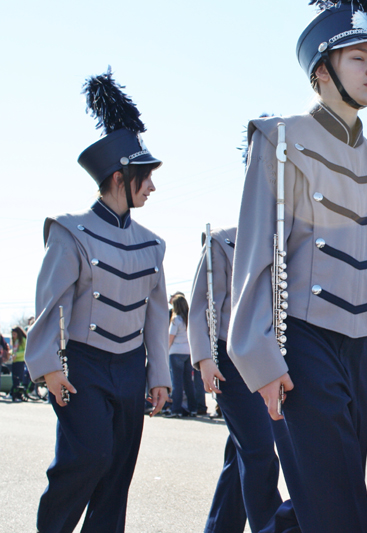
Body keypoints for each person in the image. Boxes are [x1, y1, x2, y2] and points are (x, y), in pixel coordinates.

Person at [227, 2, 367, 532]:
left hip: (357, 352)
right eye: (358, 57)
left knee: (331, 493)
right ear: (321, 71)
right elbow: (257, 254)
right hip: (299, 342)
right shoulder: (281, 140)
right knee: (338, 508)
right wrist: (259, 357)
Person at [24, 69, 170, 533]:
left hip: (130, 368)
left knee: (117, 475)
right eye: (144, 178)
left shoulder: (153, 244)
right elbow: (50, 303)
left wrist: (159, 376)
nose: (151, 187)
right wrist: (48, 365)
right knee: (88, 457)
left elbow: (155, 316)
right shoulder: (70, 231)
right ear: (117, 177)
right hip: (81, 365)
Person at [187, 226, 284, 533]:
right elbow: (202, 304)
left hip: (271, 360)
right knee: (259, 452)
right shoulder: (222, 240)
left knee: (243, 451)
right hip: (230, 358)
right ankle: (272, 528)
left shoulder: (286, 234)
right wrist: (203, 357)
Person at [166, 294, 197, 418]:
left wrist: (165, 352)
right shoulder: (189, 320)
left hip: (176, 352)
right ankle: (193, 408)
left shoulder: (176, 320)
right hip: (188, 353)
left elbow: (170, 339)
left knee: (177, 383)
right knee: (189, 382)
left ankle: (176, 410)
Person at [9, 326, 28, 402]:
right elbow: (13, 350)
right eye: (12, 334)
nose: (13, 336)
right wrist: (10, 353)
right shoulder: (15, 341)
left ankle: (18, 395)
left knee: (18, 378)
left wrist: (16, 355)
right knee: (14, 378)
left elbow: (25, 351)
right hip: (14, 361)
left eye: (14, 334)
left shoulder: (22, 340)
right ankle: (14, 394)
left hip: (20, 361)